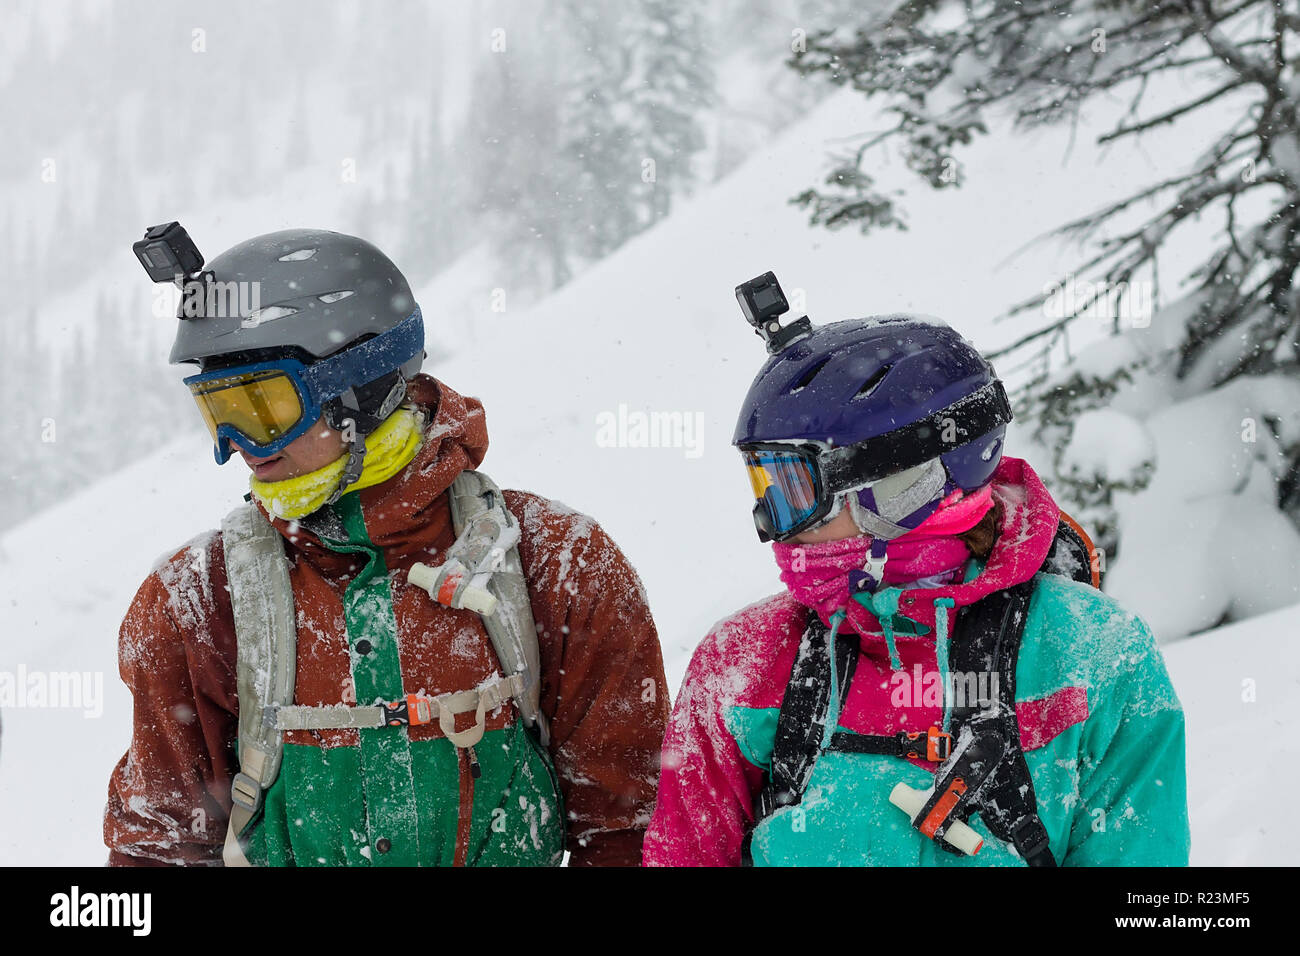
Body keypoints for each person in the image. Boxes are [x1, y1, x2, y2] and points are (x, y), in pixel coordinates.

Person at [105, 225, 669, 867]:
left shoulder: (555, 562)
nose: (235, 444)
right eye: (217, 411)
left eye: (261, 408)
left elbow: (629, 832)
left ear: (359, 390)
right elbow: (157, 852)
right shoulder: (200, 598)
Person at [643, 273, 1190, 866]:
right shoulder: (742, 663)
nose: (771, 522)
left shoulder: (1096, 654)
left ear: (905, 488)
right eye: (765, 486)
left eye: (794, 487)